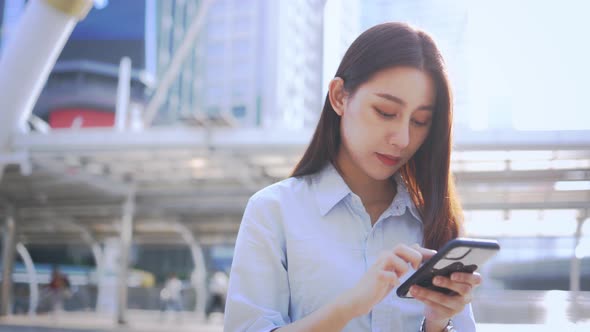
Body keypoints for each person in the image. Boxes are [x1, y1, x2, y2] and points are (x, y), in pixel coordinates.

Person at [224, 22, 480, 332]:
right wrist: (351, 305)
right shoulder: (273, 210)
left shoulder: (437, 221)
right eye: (386, 111)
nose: (402, 138)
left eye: (421, 121)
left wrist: (438, 323)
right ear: (340, 97)